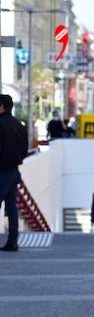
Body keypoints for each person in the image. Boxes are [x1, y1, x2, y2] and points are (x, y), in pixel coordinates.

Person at [0, 94, 29, 252]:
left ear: (2, 107)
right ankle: (12, 241)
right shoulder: (18, 124)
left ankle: (12, 242)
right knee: (11, 207)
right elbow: (24, 149)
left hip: (2, 172)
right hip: (14, 171)